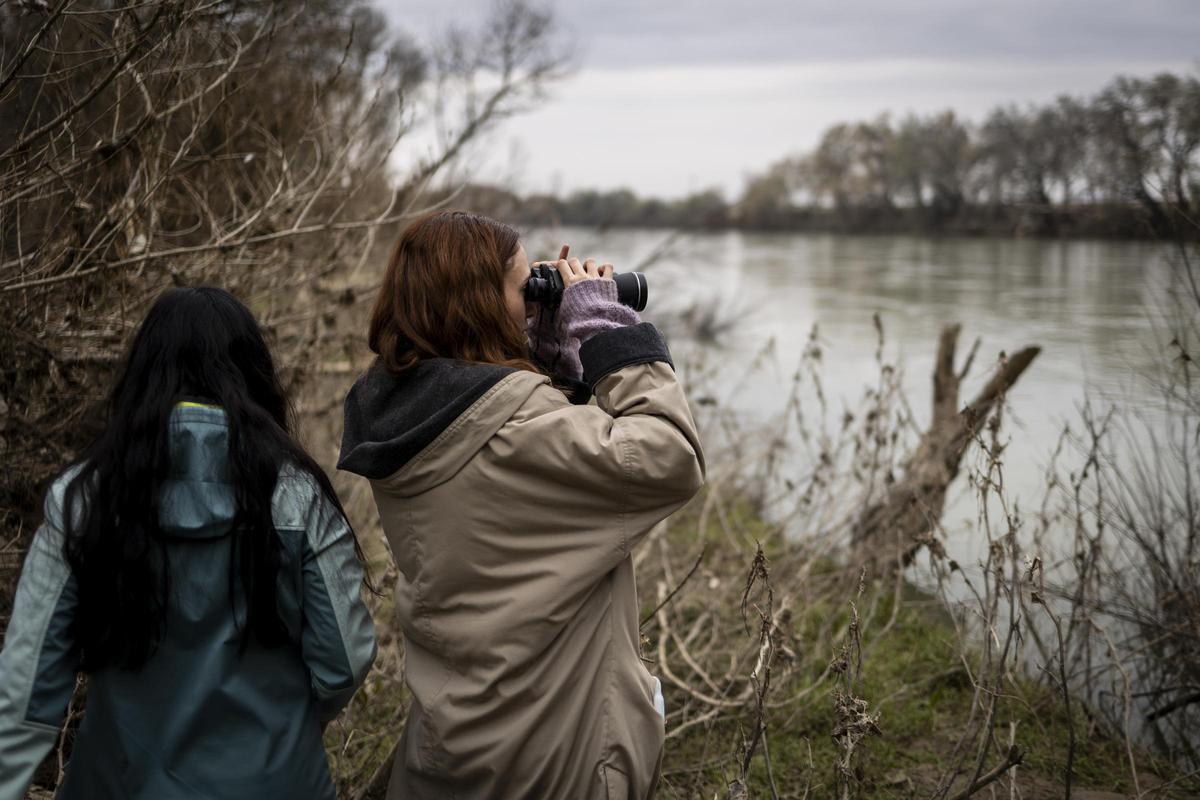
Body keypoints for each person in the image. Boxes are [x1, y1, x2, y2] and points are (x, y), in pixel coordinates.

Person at [338, 210, 706, 799]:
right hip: (552, 752)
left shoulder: (403, 415)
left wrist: (548, 371)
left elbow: (518, 478)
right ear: (482, 304)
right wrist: (609, 335)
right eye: (524, 286)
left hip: (457, 736)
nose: (537, 299)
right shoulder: (517, 430)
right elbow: (671, 457)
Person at [0, 287, 377, 800]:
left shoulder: (85, 499)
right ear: (254, 376)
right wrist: (288, 727)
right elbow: (345, 660)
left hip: (119, 783)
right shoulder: (297, 496)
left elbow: (26, 688)